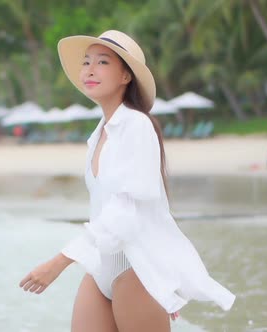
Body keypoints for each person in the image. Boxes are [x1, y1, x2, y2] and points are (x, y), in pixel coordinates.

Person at [18, 30, 235, 332]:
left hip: (136, 268)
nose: (90, 70)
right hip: (101, 266)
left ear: (125, 77)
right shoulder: (98, 135)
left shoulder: (137, 126)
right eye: (86, 62)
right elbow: (103, 211)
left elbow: (125, 213)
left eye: (103, 62)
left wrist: (59, 262)